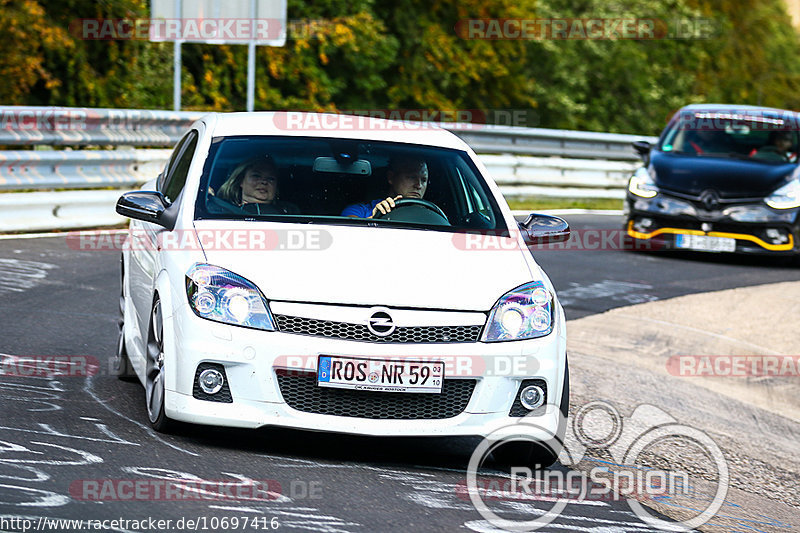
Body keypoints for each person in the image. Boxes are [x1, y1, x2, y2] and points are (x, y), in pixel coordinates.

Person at [341, 157, 430, 218]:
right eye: (411, 177)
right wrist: (374, 218)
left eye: (423, 180)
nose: (418, 185)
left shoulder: (432, 216)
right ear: (391, 177)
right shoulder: (359, 211)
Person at [214, 155, 299, 215]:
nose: (264, 182)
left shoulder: (290, 212)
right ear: (241, 181)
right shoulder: (220, 209)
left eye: (270, 179)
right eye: (256, 176)